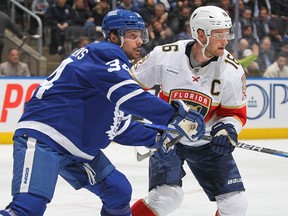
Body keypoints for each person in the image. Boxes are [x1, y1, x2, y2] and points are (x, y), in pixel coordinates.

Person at [0, 9, 205, 216]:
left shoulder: (112, 72)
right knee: (27, 208)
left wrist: (158, 137)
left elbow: (119, 126)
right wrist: (174, 115)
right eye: (133, 35)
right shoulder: (105, 53)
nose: (140, 41)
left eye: (141, 35)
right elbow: (130, 96)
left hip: (77, 148)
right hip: (46, 137)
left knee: (118, 191)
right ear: (114, 37)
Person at [130, 5, 248, 216]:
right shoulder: (165, 55)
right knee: (166, 199)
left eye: (227, 33)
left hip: (207, 144)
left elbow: (235, 114)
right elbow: (130, 87)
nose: (226, 40)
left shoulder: (231, 70)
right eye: (219, 34)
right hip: (170, 138)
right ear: (200, 34)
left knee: (235, 205)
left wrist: (227, 130)